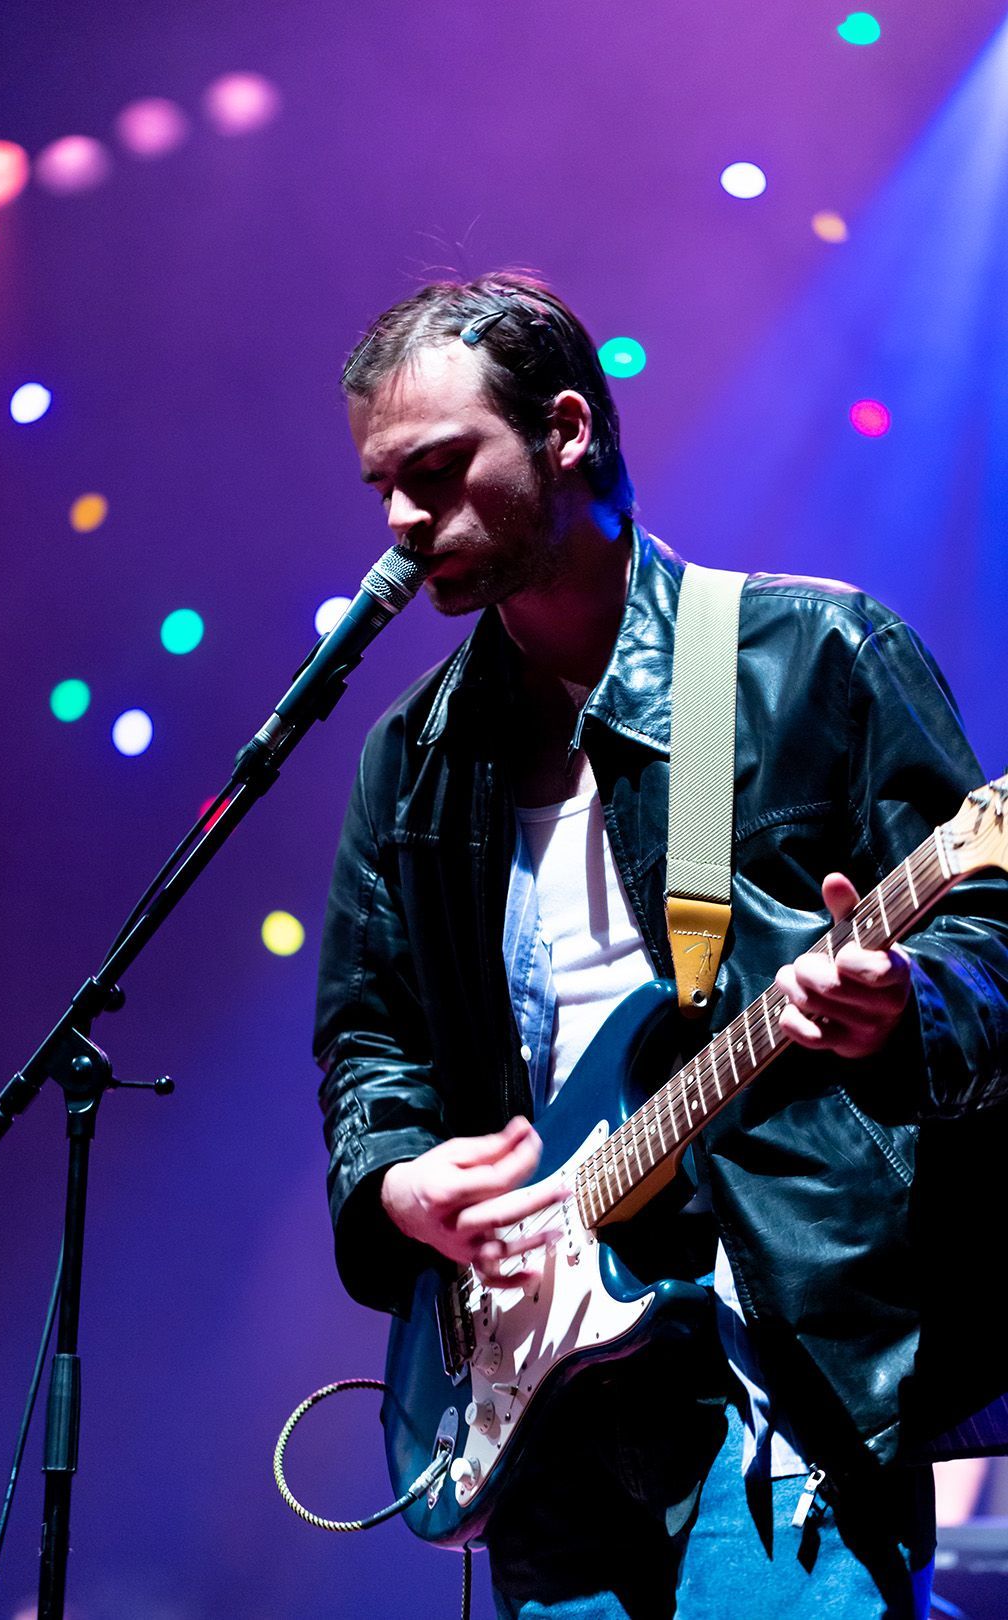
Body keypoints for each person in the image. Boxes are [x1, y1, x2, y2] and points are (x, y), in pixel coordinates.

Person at [314, 273, 1008, 1618]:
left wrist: (909, 1004)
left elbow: (994, 935)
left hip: (781, 1367)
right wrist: (396, 1182)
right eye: (383, 487)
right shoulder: (411, 761)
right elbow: (370, 1038)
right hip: (545, 1386)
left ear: (567, 430)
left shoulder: (813, 656)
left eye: (441, 471)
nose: (403, 521)